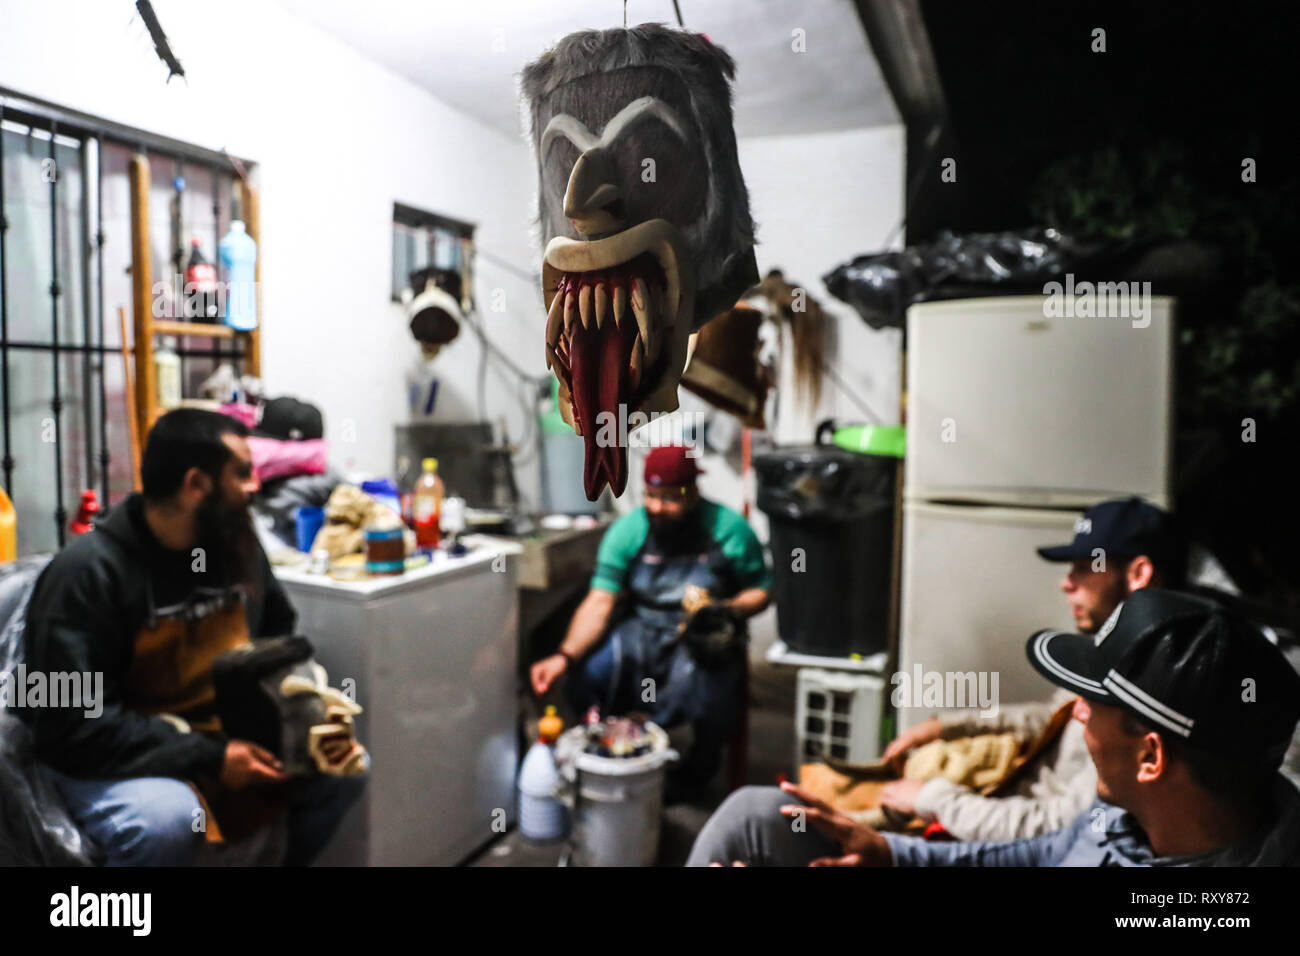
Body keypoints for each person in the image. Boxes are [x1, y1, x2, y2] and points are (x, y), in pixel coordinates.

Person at [687, 588, 1300, 866]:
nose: (1074, 712)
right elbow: (1039, 852)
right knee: (756, 816)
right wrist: (890, 852)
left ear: (1150, 756)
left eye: (1092, 704)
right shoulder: (1134, 817)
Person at [20, 409, 363, 865]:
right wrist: (209, 757)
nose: (255, 486)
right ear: (196, 484)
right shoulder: (86, 575)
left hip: (216, 738)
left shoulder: (234, 546)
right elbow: (70, 725)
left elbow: (278, 637)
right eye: (242, 473)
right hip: (110, 755)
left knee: (341, 771)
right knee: (168, 822)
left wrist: (304, 714)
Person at [876, 497, 1183, 840]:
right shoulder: (1114, 651)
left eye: (1084, 566)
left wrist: (934, 800)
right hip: (1003, 809)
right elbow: (1055, 717)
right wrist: (948, 726)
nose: (1066, 583)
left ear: (1138, 573)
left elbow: (1062, 829)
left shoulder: (1153, 682)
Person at [530, 444, 771, 789]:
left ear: (694, 492)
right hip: (643, 628)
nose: (658, 507)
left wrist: (726, 611)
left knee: (709, 693)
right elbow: (600, 602)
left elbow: (762, 590)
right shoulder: (628, 532)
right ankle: (620, 746)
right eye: (651, 495)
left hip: (700, 637)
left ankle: (696, 770)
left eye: (671, 497)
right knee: (591, 673)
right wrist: (563, 657)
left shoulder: (730, 530)